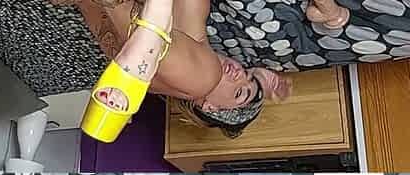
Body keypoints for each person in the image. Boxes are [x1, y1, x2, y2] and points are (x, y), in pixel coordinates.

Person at [62, 0, 348, 138]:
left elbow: (117, 7)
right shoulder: (194, 53)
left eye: (239, 93)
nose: (239, 74)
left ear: (209, 107)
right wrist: (261, 77)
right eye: (246, 76)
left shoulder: (202, 78)